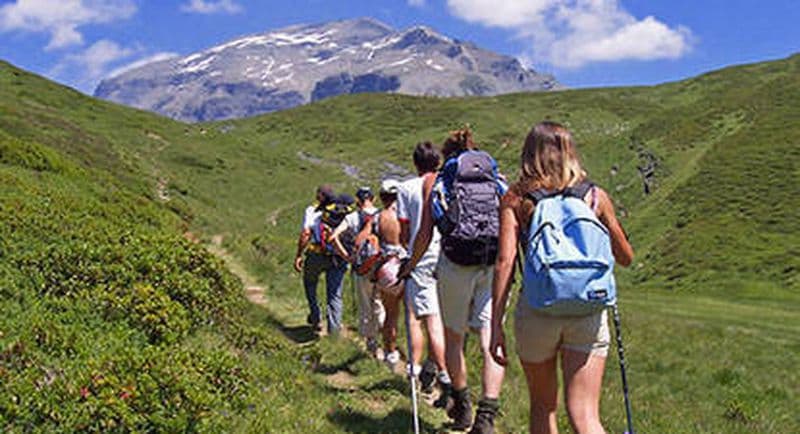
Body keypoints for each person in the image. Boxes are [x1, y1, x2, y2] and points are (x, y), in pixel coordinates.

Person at [489, 121, 634, 434]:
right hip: (588, 312)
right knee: (585, 415)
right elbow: (625, 257)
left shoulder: (517, 198)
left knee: (543, 406)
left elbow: (504, 263)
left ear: (529, 154)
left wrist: (495, 325)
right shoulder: (595, 196)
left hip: (537, 310)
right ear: (570, 152)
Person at [400, 128, 506, 433]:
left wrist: (410, 264)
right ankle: (488, 414)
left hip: (456, 263)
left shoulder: (439, 181)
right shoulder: (496, 180)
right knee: (490, 336)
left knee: (454, 337)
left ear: (447, 155)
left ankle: (462, 407)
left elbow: (424, 234)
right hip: (492, 263)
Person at [395, 142, 451, 399]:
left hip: (422, 257)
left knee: (420, 318)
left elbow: (405, 232)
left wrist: (409, 258)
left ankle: (434, 373)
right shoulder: (449, 181)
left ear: (415, 163)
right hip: (452, 255)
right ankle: (438, 370)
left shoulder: (406, 188)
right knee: (445, 319)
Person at [330, 187, 384, 355]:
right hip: (382, 265)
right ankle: (385, 335)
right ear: (373, 199)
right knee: (379, 302)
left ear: (358, 200)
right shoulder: (383, 215)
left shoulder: (352, 217)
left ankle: (371, 342)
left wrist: (347, 257)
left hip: (361, 266)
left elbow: (333, 237)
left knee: (366, 304)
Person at [293, 185, 348, 335]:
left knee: (310, 283)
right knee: (335, 294)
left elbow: (305, 234)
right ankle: (334, 331)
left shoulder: (312, 210)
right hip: (337, 255)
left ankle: (316, 317)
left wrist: (299, 255)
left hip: (316, 254)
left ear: (319, 195)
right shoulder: (341, 211)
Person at [372, 179, 406, 370]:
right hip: (406, 266)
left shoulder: (378, 216)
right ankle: (417, 364)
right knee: (413, 318)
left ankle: (390, 355)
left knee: (391, 314)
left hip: (386, 268)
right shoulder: (404, 215)